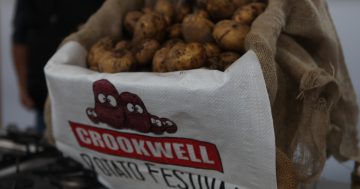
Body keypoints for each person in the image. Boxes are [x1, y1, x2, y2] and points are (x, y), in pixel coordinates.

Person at [12, 0, 104, 135]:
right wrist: (22, 86)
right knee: (46, 146)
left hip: (84, 98)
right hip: (43, 94)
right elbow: (19, 37)